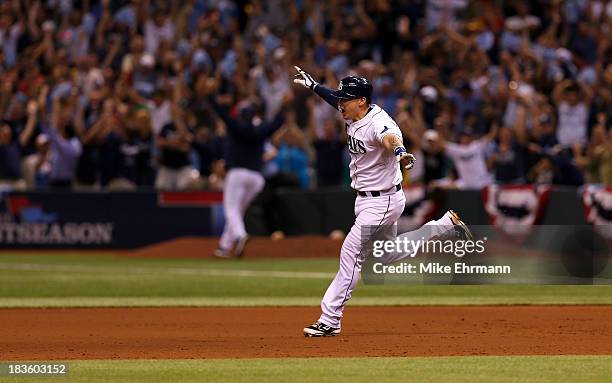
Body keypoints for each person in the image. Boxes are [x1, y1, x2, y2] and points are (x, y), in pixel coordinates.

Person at [293, 66, 473, 337]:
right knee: (385, 255)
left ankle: (330, 319)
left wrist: (401, 153)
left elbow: (391, 138)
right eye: (341, 99)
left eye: (346, 99)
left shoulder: (378, 122)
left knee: (351, 253)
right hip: (369, 199)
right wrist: (314, 86)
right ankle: (443, 225)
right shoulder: (353, 111)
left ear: (362, 101)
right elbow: (334, 98)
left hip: (382, 201)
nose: (340, 103)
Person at [206, 80, 293, 258]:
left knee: (231, 209)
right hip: (256, 177)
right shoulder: (260, 130)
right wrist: (284, 106)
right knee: (237, 212)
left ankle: (240, 236)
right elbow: (277, 122)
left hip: (237, 173)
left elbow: (222, 114)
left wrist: (210, 96)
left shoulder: (236, 127)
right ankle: (225, 246)